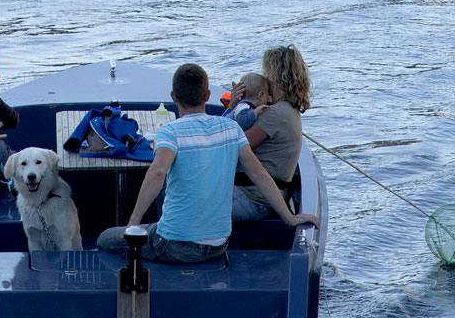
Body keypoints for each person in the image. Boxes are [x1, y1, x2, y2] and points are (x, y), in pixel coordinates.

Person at [97, 62, 318, 263]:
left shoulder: (170, 132)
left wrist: (133, 223)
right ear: (207, 95)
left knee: (105, 239)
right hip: (218, 246)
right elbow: (260, 175)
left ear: (173, 96)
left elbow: (157, 174)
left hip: (174, 246)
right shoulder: (231, 129)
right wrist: (289, 217)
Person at [231, 44, 311, 222]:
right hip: (259, 195)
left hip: (253, 199)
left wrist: (234, 108)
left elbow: (232, 147)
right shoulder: (289, 109)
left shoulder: (275, 113)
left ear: (275, 77)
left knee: (176, 192)